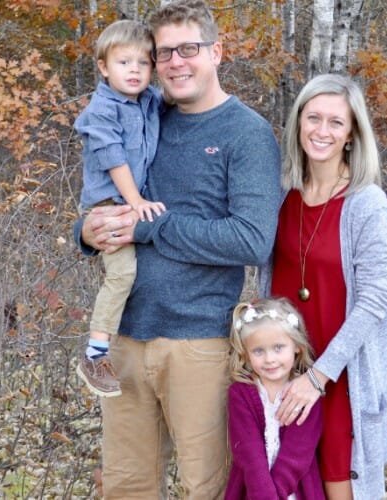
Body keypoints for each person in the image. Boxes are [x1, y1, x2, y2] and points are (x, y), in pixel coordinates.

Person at [74, 0, 282, 497]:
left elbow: (251, 239)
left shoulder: (246, 133)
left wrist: (148, 227)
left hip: (198, 343)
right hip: (124, 339)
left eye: (188, 49)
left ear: (217, 52)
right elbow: (105, 199)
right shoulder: (142, 114)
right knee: (127, 487)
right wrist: (86, 233)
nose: (174, 63)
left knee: (206, 485)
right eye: (163, 52)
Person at [260, 73, 387, 500]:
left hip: (339, 379)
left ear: (352, 134)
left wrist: (318, 378)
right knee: (282, 486)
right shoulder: (281, 196)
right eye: (313, 117)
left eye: (336, 122)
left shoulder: (365, 203)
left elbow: (375, 301)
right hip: (282, 371)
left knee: (340, 486)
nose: (322, 130)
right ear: (298, 122)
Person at [74, 19, 166, 398]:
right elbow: (114, 159)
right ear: (103, 67)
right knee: (122, 274)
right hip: (110, 203)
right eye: (124, 62)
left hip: (129, 198)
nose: (134, 71)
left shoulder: (148, 101)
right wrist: (136, 202)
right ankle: (95, 352)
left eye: (143, 64)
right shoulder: (102, 109)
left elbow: (176, 100)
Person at [225, 298, 325, 500]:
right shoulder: (241, 394)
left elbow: (297, 456)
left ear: (297, 347)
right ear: (245, 354)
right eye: (259, 351)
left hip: (296, 490)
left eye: (278, 348)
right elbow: (249, 453)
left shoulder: (306, 394)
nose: (270, 359)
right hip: (252, 491)